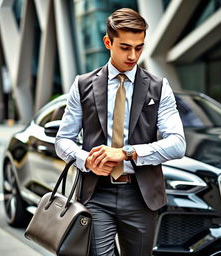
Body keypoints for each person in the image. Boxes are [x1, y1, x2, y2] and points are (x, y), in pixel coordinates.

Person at [55, 8, 186, 256]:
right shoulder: (83, 84)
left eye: (139, 47)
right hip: (96, 194)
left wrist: (126, 153)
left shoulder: (159, 87)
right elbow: (63, 140)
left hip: (141, 195)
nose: (133, 55)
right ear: (108, 42)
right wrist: (87, 161)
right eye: (125, 47)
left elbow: (178, 144)